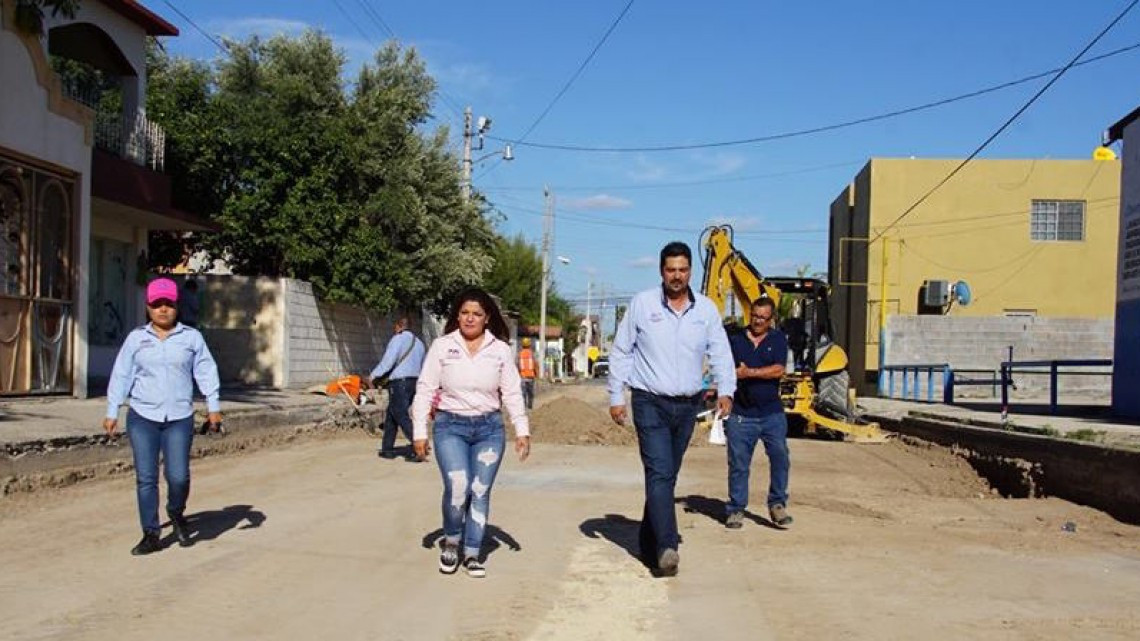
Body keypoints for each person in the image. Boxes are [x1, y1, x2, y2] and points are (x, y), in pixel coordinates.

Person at [607, 241, 736, 576]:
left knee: (665, 476)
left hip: (687, 406)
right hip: (649, 401)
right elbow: (621, 351)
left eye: (682, 270)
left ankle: (648, 541)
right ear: (661, 271)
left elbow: (720, 351)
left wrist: (727, 390)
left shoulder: (706, 310)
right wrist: (616, 396)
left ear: (690, 271)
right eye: (670, 270)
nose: (676, 276)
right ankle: (667, 546)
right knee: (661, 473)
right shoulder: (642, 304)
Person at [411, 288, 531, 578]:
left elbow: (512, 392)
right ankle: (452, 542)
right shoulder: (442, 346)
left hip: (489, 429)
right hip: (450, 426)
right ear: (457, 315)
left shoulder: (500, 349)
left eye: (476, 314)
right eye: (464, 313)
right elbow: (426, 388)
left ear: (487, 318)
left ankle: (473, 553)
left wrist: (522, 430)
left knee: (479, 490)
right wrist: (419, 432)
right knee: (458, 487)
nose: (469, 319)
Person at [103, 277, 222, 556]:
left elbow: (206, 371)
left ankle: (176, 511)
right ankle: (151, 533)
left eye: (168, 303)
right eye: (157, 304)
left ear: (177, 306)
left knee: (178, 476)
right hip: (143, 417)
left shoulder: (192, 338)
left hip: (179, 417)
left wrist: (213, 406)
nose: (163, 309)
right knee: (146, 477)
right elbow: (121, 375)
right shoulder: (136, 339)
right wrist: (112, 410)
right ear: (148, 307)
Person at [724, 297, 794, 530]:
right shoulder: (735, 340)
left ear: (771, 319)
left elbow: (778, 370)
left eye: (763, 318)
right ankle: (736, 508)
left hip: (771, 414)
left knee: (780, 457)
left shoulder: (778, 339)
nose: (757, 321)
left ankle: (777, 504)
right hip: (740, 414)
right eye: (754, 316)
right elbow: (726, 368)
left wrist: (749, 373)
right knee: (739, 464)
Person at [370, 314, 426, 461]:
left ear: (399, 326)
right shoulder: (419, 343)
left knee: (400, 415)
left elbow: (388, 362)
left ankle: (418, 446)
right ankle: (387, 449)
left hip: (399, 383)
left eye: (395, 326)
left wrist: (373, 376)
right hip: (414, 382)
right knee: (391, 416)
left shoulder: (398, 339)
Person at [518, 337, 537, 409]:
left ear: (522, 345)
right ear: (529, 345)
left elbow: (517, 365)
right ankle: (530, 406)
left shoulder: (519, 354)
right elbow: (535, 364)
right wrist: (536, 374)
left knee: (523, 392)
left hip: (522, 376)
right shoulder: (532, 354)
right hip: (531, 376)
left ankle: (524, 406)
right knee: (530, 392)